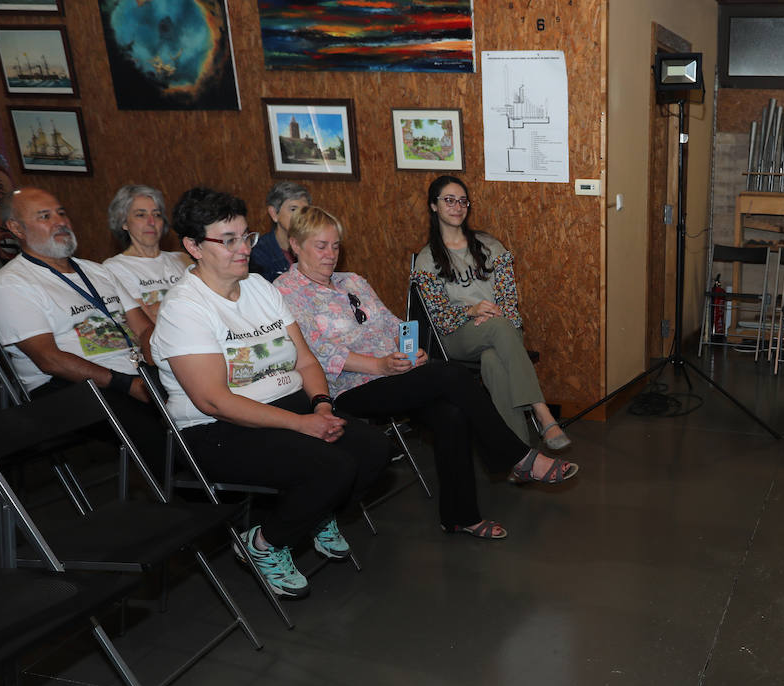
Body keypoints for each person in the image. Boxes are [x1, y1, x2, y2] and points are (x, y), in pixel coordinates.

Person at [275, 206, 577, 539]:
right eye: (321, 246)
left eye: (335, 246)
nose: (331, 255)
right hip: (350, 387)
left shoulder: (352, 282)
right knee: (450, 376)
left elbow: (392, 323)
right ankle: (518, 456)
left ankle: (461, 517)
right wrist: (379, 365)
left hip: (394, 372)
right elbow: (317, 352)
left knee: (451, 414)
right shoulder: (286, 292)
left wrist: (409, 349)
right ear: (295, 244)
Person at [149, 187, 390, 599]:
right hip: (215, 429)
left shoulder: (260, 287)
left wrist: (322, 405)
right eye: (228, 240)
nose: (243, 248)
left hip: (288, 404)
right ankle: (263, 543)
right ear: (192, 246)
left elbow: (307, 361)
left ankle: (313, 513)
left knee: (373, 449)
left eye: (247, 236)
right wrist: (303, 424)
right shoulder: (185, 308)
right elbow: (214, 401)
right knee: (332, 468)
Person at [0, 186, 166, 472]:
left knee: (198, 400)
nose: (60, 221)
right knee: (159, 437)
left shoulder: (97, 271)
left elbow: (144, 330)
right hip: (69, 388)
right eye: (45, 216)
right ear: (16, 228)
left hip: (134, 372)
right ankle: (193, 500)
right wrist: (128, 384)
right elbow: (49, 359)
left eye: (62, 213)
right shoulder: (12, 284)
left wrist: (159, 371)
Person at [410, 175, 570, 450]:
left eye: (462, 201)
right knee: (498, 329)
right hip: (456, 335)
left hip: (500, 329)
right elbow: (439, 317)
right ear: (434, 206)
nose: (457, 207)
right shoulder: (427, 259)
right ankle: (542, 412)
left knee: (493, 360)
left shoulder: (489, 246)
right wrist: (471, 311)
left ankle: (517, 453)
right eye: (449, 200)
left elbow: (509, 299)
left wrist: (495, 317)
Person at [101, 184, 189, 322]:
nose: (151, 222)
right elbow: (144, 323)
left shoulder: (183, 258)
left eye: (157, 214)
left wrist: (158, 307)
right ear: (124, 222)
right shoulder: (114, 268)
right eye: (141, 215)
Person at [249, 181, 310, 282]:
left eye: (305, 211)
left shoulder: (313, 247)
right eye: (293, 209)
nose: (301, 216)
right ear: (274, 213)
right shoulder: (258, 254)